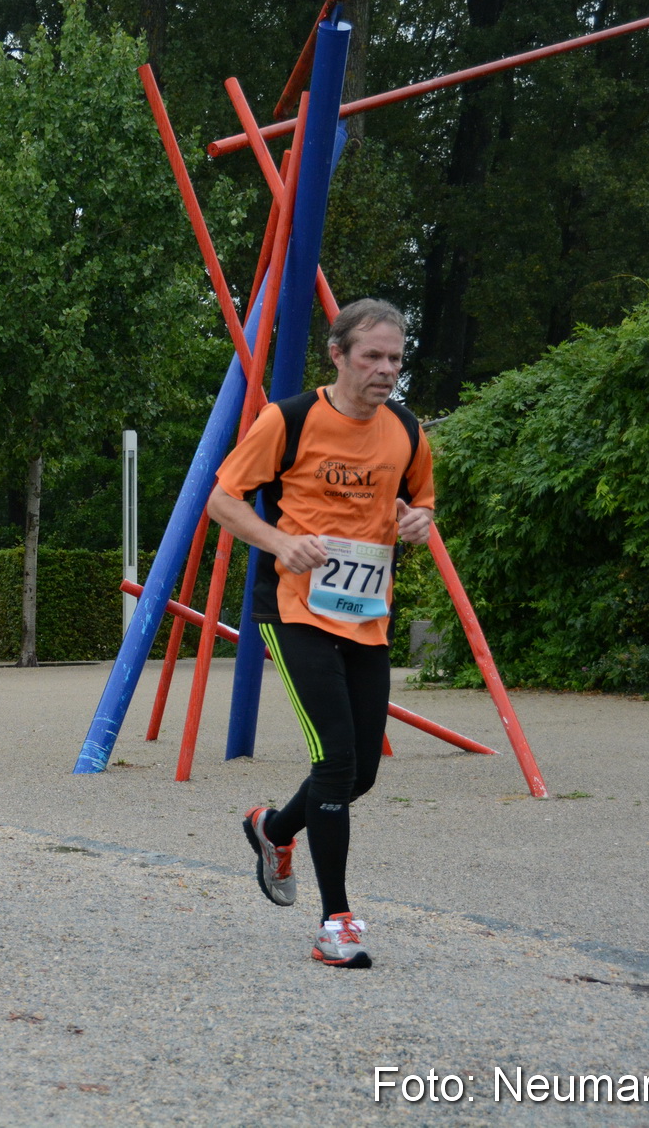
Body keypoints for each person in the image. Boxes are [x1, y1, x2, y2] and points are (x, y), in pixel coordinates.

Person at [205, 298, 435, 970]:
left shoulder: (408, 430)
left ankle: (273, 829)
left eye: (395, 358)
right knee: (336, 759)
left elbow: (420, 500)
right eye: (372, 356)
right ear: (337, 354)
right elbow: (223, 499)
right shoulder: (291, 419)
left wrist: (419, 521)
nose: (386, 370)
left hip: (367, 614)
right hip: (296, 608)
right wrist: (280, 541)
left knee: (361, 770)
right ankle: (337, 920)